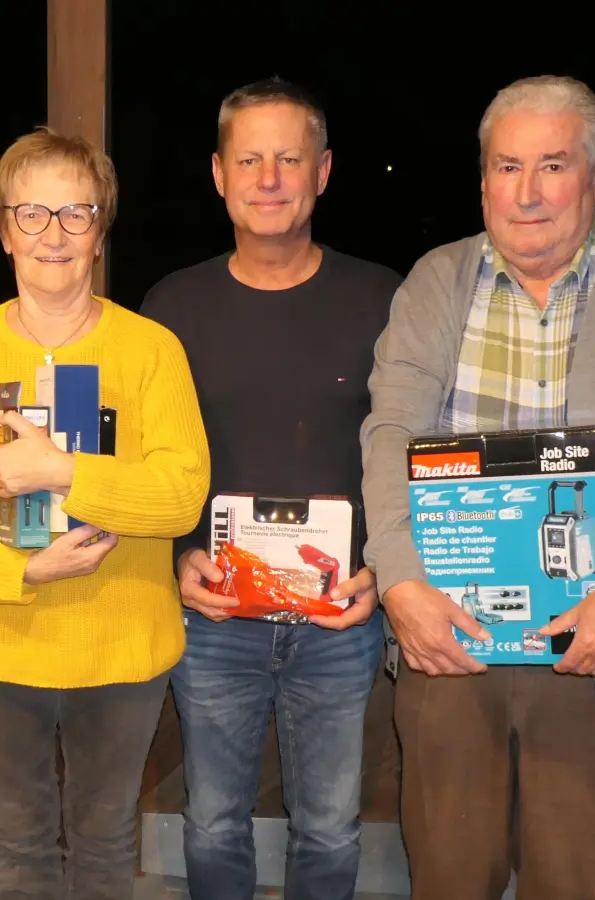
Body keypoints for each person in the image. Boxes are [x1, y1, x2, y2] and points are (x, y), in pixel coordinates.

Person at [359, 75, 595, 900]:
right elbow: (388, 435)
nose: (526, 194)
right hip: (448, 636)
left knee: (574, 879)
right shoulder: (436, 278)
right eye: (506, 167)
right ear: (482, 177)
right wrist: (401, 579)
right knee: (449, 876)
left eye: (552, 166)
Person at [0, 127, 211, 900]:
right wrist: (24, 569)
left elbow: (181, 494)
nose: (53, 235)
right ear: (3, 228)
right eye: (32, 214)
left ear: (100, 231)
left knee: (107, 849)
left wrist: (61, 471)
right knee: (21, 851)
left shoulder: (150, 350)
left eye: (76, 214)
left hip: (120, 643)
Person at [139, 78, 398, 900]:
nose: (270, 178)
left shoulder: (385, 300)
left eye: (289, 158)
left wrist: (385, 572)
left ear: (323, 171)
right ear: (218, 174)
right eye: (249, 159)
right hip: (215, 613)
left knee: (329, 825)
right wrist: (178, 556)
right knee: (212, 822)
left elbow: (414, 455)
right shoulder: (171, 307)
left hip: (341, 614)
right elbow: (150, 463)